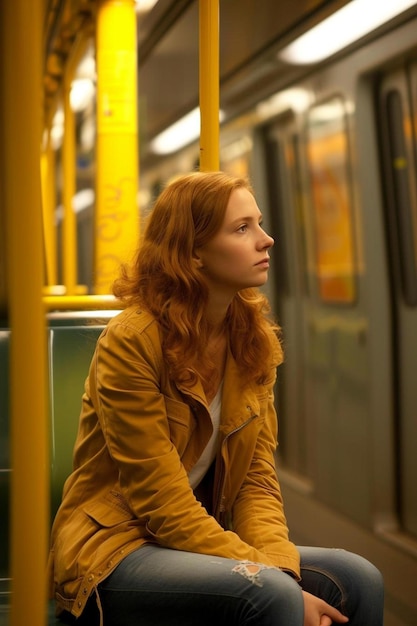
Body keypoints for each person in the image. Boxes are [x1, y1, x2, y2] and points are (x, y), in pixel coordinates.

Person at [48, 171, 384, 626]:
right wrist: (274, 579)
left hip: (198, 540)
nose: (266, 240)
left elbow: (255, 482)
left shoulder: (251, 340)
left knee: (358, 579)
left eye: (258, 224)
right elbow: (160, 501)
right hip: (115, 548)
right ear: (192, 253)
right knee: (272, 597)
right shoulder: (131, 341)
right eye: (242, 228)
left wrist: (279, 566)